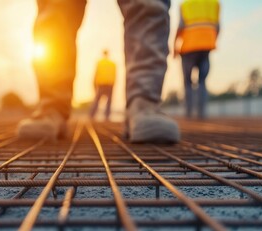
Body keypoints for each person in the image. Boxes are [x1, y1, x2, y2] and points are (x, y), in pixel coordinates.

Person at [16, 0, 180, 143]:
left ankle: (143, 103)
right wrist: (94, 84)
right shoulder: (103, 62)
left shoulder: (108, 62)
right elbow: (98, 73)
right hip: (103, 84)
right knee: (57, 7)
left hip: (108, 84)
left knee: (146, 3)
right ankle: (52, 106)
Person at [174, 0, 220, 119]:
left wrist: (175, 46)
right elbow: (217, 27)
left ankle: (188, 113)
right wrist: (212, 40)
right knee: (202, 81)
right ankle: (201, 113)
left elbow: (180, 26)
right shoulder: (214, 4)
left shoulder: (186, 5)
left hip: (189, 47)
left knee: (187, 82)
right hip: (206, 47)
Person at [89, 49, 116, 121]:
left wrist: (94, 83)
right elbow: (115, 75)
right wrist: (114, 84)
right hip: (110, 84)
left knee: (97, 100)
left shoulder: (100, 63)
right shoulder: (112, 64)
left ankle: (91, 116)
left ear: (103, 54)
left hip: (101, 83)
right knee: (109, 102)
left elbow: (96, 73)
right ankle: (107, 117)